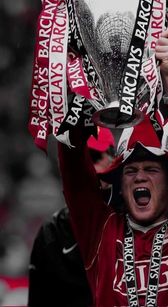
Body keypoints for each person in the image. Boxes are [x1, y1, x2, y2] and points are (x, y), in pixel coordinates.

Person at [58, 28, 168, 307]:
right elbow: (75, 174)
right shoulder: (102, 231)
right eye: (130, 171)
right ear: (120, 183)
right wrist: (77, 86)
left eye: (151, 169)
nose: (139, 177)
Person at [27, 127, 115, 307]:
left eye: (94, 157)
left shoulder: (132, 224)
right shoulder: (51, 234)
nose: (84, 167)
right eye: (75, 160)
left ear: (114, 162)